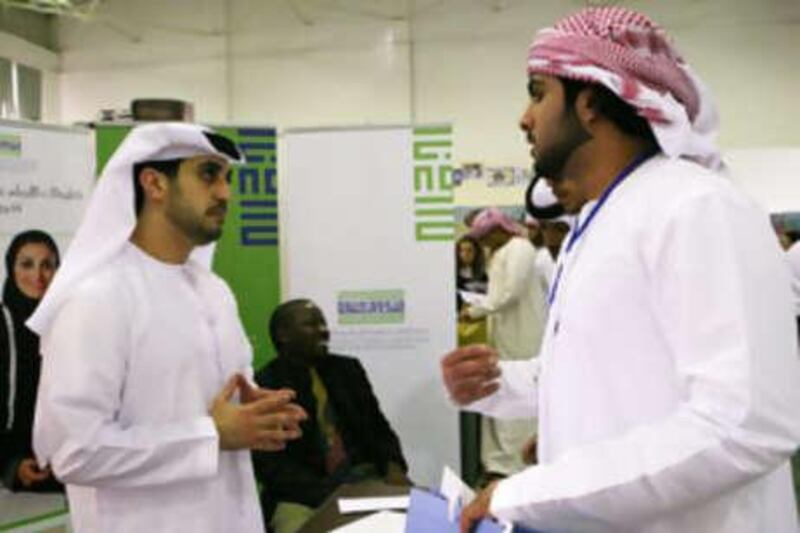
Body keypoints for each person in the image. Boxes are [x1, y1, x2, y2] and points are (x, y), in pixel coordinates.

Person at [441, 7, 800, 533]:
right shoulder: (603, 219)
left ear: (591, 102)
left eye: (538, 93)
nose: (524, 117)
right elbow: (604, 370)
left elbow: (743, 424)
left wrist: (531, 491)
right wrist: (497, 385)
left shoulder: (695, 207)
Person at [29, 123, 307, 532]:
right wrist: (210, 435)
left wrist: (256, 415)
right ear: (154, 183)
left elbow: (215, 413)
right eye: (208, 174)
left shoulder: (215, 292)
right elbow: (74, 451)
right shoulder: (97, 298)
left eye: (227, 178)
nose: (225, 193)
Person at [253, 299, 410, 533]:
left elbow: (378, 428)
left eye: (323, 324)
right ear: (284, 335)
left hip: (363, 483)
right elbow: (271, 468)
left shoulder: (348, 370)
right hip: (300, 498)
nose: (323, 331)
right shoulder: (265, 384)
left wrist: (393, 467)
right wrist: (330, 495)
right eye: (311, 325)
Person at [461, 208, 546, 480]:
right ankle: (501, 462)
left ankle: (518, 462)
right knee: (500, 391)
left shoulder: (520, 248)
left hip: (523, 334)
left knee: (520, 395)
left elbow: (510, 293)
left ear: (499, 230)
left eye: (485, 237)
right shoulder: (500, 252)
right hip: (503, 333)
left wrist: (475, 311)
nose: (483, 243)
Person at [0, 230, 61, 492]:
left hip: (67, 468)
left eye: (47, 265)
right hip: (14, 475)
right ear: (11, 269)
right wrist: (10, 466)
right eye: (26, 264)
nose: (38, 276)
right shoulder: (2, 325)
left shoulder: (68, 323)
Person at [456, 235, 488, 312]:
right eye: (461, 250)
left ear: (476, 253)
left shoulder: (483, 275)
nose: (465, 254)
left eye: (469, 250)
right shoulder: (452, 274)